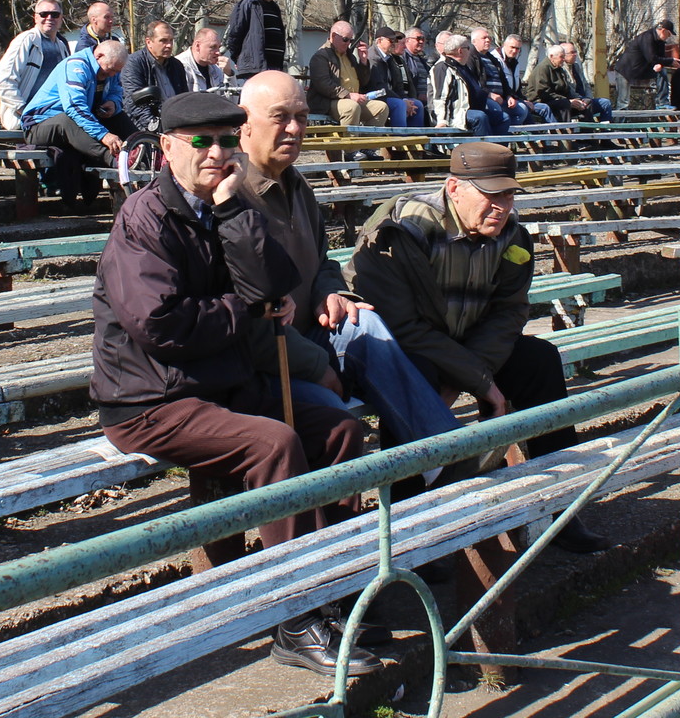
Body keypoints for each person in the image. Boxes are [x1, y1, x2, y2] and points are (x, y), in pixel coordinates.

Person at [88, 91, 375, 676]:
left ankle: (334, 588)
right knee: (275, 444)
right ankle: (295, 618)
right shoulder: (143, 219)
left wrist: (231, 213)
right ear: (167, 148)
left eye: (226, 141)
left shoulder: (226, 206)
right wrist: (246, 309)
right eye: (201, 141)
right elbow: (160, 325)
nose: (216, 153)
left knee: (340, 428)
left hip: (218, 385)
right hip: (150, 399)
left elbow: (274, 284)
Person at [348, 141, 607, 552]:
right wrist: (480, 381)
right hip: (395, 350)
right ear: (454, 188)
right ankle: (408, 530)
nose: (501, 207)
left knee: (540, 360)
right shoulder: (402, 229)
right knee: (416, 379)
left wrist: (474, 375)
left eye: (509, 195)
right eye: (490, 195)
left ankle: (562, 505)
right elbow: (400, 326)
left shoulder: (513, 235)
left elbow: (509, 311)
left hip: (466, 345)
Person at [236, 73, 458, 449]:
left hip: (312, 336)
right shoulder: (229, 197)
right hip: (264, 359)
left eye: (301, 117)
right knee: (332, 418)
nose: (294, 128)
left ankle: (443, 456)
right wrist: (315, 367)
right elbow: (247, 320)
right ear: (244, 120)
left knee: (367, 325)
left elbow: (323, 261)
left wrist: (330, 292)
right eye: (280, 116)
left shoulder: (297, 185)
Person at [20, 40, 136, 206]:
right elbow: (75, 108)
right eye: (109, 70)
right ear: (99, 56)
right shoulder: (75, 66)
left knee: (119, 117)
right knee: (67, 120)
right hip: (38, 125)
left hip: (77, 125)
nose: (112, 75)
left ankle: (143, 150)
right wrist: (104, 135)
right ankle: (115, 160)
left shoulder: (112, 68)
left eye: (116, 72)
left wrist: (113, 103)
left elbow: (117, 91)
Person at [0, 0, 69, 131]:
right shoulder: (26, 41)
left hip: (52, 118)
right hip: (25, 122)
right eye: (44, 14)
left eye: (55, 14)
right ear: (36, 17)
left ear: (61, 18)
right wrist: (25, 110)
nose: (49, 18)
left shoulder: (62, 47)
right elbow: (2, 81)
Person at [307, 22, 388, 128]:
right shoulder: (321, 56)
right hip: (327, 102)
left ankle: (367, 139)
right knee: (351, 107)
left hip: (352, 100)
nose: (348, 43)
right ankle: (350, 139)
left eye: (351, 40)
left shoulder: (350, 56)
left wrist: (363, 62)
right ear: (333, 36)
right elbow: (323, 84)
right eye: (345, 39)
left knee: (381, 108)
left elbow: (364, 82)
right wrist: (348, 95)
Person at [120, 21, 188, 133]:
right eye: (163, 41)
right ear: (149, 42)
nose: (169, 45)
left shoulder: (177, 65)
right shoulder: (134, 63)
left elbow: (184, 98)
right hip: (146, 129)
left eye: (171, 40)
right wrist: (155, 127)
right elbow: (134, 103)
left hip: (175, 124)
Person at [427, 34, 500, 133]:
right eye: (468, 48)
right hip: (457, 113)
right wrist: (442, 121)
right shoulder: (443, 68)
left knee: (502, 118)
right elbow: (441, 97)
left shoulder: (464, 67)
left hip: (473, 110)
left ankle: (494, 142)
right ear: (460, 51)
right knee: (480, 117)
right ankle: (481, 143)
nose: (470, 51)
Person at [224, 0, 287, 80]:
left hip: (275, 67)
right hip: (255, 68)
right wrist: (238, 58)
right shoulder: (248, 5)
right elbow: (235, 35)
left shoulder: (275, 7)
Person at [469, 27, 530, 126]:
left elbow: (503, 81)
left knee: (521, 110)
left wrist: (509, 96)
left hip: (501, 98)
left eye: (489, 38)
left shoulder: (493, 59)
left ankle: (507, 133)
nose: (488, 40)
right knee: (497, 110)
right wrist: (490, 95)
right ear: (474, 41)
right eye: (484, 38)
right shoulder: (470, 58)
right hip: (484, 99)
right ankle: (497, 133)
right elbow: (472, 83)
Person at [367, 29, 424, 127]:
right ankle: (400, 136)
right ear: (379, 41)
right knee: (399, 105)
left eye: (395, 41)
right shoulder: (372, 58)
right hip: (375, 97)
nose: (394, 43)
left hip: (388, 95)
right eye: (391, 40)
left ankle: (416, 136)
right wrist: (403, 101)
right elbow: (379, 87)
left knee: (416, 105)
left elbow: (398, 85)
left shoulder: (389, 58)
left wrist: (405, 99)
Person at [616, 21, 675, 110]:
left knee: (662, 71)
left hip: (641, 69)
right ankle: (620, 117)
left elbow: (661, 59)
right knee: (623, 103)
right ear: (663, 31)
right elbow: (651, 58)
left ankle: (662, 102)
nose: (669, 37)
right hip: (625, 69)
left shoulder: (661, 42)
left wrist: (661, 65)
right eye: (669, 34)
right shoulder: (647, 37)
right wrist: (671, 61)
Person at [177, 27, 228, 92]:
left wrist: (229, 74)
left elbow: (230, 97)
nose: (218, 52)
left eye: (219, 47)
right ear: (198, 46)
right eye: (213, 47)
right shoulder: (180, 66)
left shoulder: (217, 69)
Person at [399, 28, 433, 105]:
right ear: (407, 40)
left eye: (423, 39)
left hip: (428, 100)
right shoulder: (402, 58)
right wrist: (417, 95)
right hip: (412, 101)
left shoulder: (423, 60)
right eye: (418, 39)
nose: (421, 42)